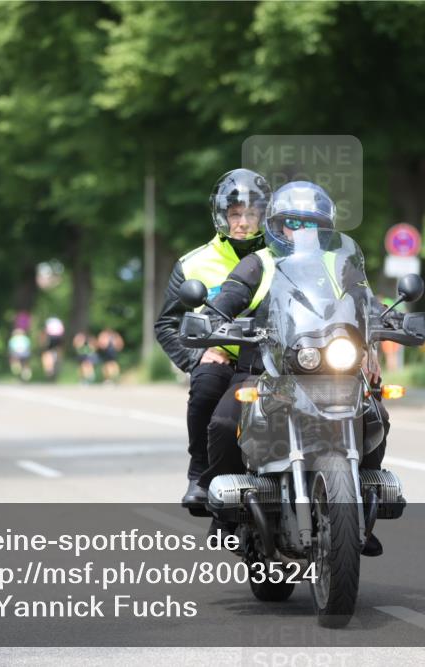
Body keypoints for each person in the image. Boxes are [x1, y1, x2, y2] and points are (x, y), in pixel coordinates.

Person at [199, 181, 388, 556]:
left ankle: (363, 507)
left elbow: (367, 302)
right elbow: (229, 296)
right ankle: (224, 516)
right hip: (266, 370)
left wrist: (382, 332)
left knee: (375, 413)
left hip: (331, 370)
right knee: (223, 422)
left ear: (325, 228)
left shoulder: (341, 264)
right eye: (293, 223)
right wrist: (210, 318)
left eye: (311, 223)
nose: (302, 231)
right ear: (278, 226)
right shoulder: (260, 263)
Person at [154, 168, 272, 508]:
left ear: (265, 215)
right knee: (206, 385)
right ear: (222, 216)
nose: (243, 222)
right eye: (235, 214)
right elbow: (167, 323)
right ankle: (200, 472)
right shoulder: (194, 264)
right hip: (223, 357)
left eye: (251, 213)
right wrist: (197, 357)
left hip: (279, 357)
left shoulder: (284, 258)